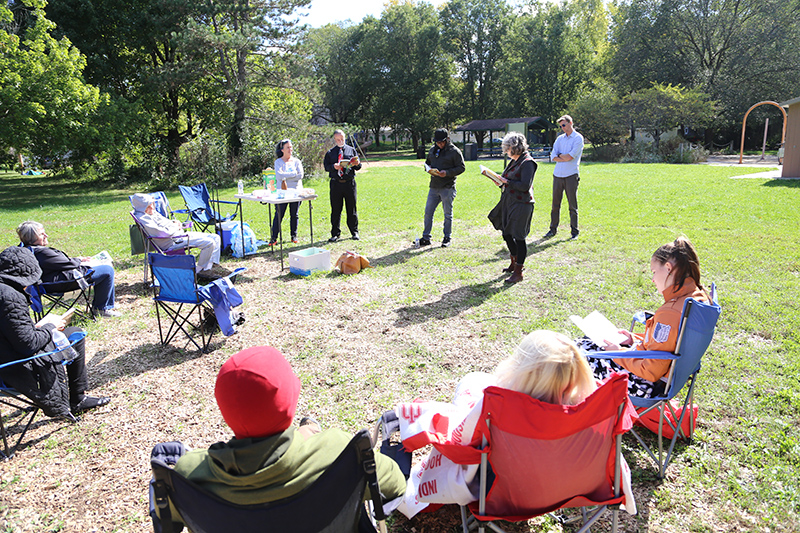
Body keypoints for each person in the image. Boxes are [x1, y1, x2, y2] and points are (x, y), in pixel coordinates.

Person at [155, 346, 406, 530]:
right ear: (289, 400)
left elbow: (168, 519)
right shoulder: (339, 451)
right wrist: (308, 436)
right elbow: (395, 485)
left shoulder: (187, 475)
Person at [393, 330, 599, 517]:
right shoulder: (586, 414)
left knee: (472, 382)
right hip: (562, 490)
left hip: (503, 491)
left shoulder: (499, 408)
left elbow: (462, 443)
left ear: (524, 371)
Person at [582, 236, 710, 398]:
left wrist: (617, 353)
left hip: (645, 385)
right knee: (589, 342)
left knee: (581, 353)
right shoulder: (698, 296)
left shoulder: (671, 312)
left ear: (668, 268)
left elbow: (650, 371)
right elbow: (670, 345)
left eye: (655, 272)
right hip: (664, 378)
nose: (653, 279)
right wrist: (633, 339)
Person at [0, 246, 110, 417]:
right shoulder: (9, 296)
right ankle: (78, 398)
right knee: (75, 334)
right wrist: (50, 328)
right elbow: (27, 345)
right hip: (13, 367)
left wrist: (34, 328)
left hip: (6, 353)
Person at [16, 220, 120, 318]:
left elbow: (59, 262)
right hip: (60, 284)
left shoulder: (24, 250)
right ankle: (101, 308)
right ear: (32, 238)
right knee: (107, 270)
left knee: (101, 268)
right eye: (41, 234)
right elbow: (68, 264)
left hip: (44, 284)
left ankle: (103, 304)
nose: (46, 235)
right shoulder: (42, 253)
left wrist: (78, 259)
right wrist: (80, 261)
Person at [130, 193, 224, 280]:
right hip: (171, 242)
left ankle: (207, 268)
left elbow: (166, 223)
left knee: (215, 237)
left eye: (152, 203)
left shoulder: (151, 213)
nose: (152, 206)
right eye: (149, 204)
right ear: (142, 206)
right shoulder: (143, 218)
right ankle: (199, 271)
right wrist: (175, 227)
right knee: (209, 243)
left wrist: (175, 223)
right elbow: (162, 233)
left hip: (178, 235)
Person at [487, 132, 537, 284]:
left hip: (522, 204)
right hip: (509, 201)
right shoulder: (515, 160)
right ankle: (513, 262)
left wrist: (507, 182)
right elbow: (508, 179)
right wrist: (500, 182)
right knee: (506, 233)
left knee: (519, 237)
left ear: (514, 147)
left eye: (507, 148)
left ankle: (518, 272)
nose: (506, 152)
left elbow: (524, 185)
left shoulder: (528, 162)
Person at [417, 129, 465, 248]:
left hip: (447, 187)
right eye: (437, 142)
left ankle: (447, 238)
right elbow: (427, 163)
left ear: (447, 139)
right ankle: (426, 237)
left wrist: (447, 172)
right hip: (434, 186)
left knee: (447, 214)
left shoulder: (454, 152)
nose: (440, 144)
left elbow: (461, 167)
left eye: (442, 142)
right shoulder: (433, 150)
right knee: (428, 212)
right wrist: (429, 169)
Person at [544, 115, 584, 240]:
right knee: (555, 204)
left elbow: (570, 157)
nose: (562, 128)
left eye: (564, 125)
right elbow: (552, 156)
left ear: (570, 123)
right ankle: (552, 229)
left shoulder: (578, 138)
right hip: (557, 175)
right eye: (561, 126)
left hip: (571, 175)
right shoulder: (560, 139)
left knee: (572, 205)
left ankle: (574, 231)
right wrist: (562, 156)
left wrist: (560, 156)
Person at [323, 130, 362, 242]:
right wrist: (333, 166)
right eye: (338, 139)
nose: (341, 141)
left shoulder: (351, 150)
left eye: (342, 139)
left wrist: (357, 164)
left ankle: (354, 232)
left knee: (352, 208)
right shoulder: (330, 152)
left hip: (349, 183)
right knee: (336, 209)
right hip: (336, 183)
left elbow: (358, 166)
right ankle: (335, 233)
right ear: (334, 140)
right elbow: (326, 167)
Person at [269, 139, 304, 245]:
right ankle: (274, 238)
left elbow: (300, 175)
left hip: (295, 192)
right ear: (282, 150)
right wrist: (293, 174)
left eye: (291, 147)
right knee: (279, 214)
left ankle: (294, 236)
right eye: (288, 147)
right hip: (282, 193)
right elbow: (279, 176)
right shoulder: (278, 162)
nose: (290, 149)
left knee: (294, 214)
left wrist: (286, 175)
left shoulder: (297, 161)